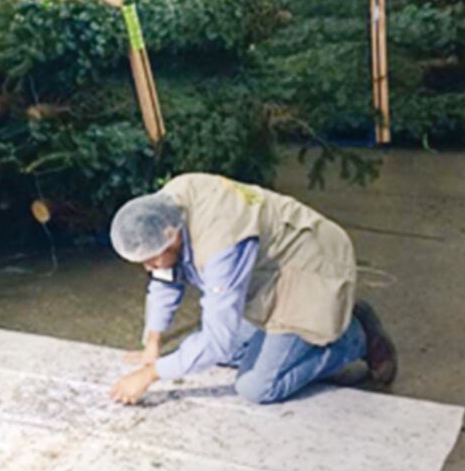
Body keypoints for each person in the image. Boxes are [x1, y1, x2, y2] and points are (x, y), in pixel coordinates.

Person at [107, 172, 397, 406]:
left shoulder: (221, 244)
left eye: (150, 258)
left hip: (311, 265)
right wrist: (153, 342)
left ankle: (354, 336)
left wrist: (150, 374)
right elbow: (164, 276)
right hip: (268, 271)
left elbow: (217, 339)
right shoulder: (164, 210)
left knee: (255, 386)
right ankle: (310, 332)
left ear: (172, 236)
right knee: (210, 352)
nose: (148, 267)